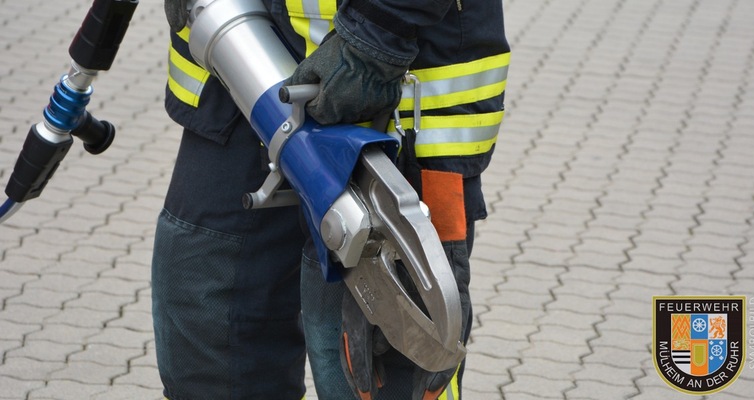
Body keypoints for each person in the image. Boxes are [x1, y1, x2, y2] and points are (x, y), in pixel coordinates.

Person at [154, 0, 510, 399]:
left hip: (382, 92)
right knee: (208, 342)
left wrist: (379, 32)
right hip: (234, 58)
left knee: (375, 370)